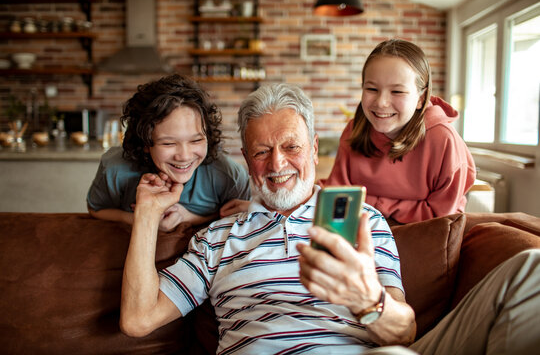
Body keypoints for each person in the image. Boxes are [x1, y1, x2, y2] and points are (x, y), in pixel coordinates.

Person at [119, 83, 540, 354]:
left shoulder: (363, 221)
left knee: (530, 270)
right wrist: (148, 215)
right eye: (262, 151)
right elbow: (138, 320)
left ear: (313, 147)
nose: (277, 163)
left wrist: (367, 302)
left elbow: (403, 332)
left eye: (291, 146)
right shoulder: (217, 238)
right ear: (246, 160)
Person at [323, 39, 476, 224]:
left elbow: (441, 217)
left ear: (420, 98)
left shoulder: (444, 140)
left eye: (397, 92)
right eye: (372, 89)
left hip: (425, 241)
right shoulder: (354, 130)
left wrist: (369, 202)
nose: (381, 102)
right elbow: (338, 202)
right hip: (363, 236)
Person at [86, 74, 250, 231]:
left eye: (196, 140)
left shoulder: (229, 176)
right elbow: (96, 209)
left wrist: (190, 217)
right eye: (169, 143)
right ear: (144, 143)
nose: (184, 156)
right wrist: (143, 218)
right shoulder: (115, 169)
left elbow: (242, 219)